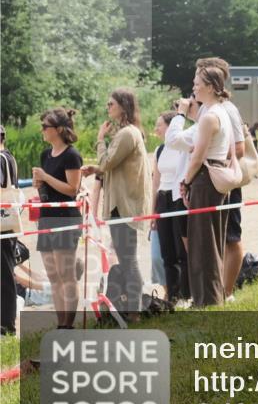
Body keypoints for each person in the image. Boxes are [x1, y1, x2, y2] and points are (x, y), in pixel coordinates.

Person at [81, 91, 152, 316]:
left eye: (111, 103)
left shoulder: (127, 134)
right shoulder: (128, 133)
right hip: (122, 205)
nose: (107, 107)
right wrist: (97, 169)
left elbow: (108, 161)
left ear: (123, 106)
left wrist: (100, 139)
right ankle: (134, 308)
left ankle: (135, 310)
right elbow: (112, 165)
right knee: (126, 257)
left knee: (128, 259)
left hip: (125, 206)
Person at [177, 66, 233, 306]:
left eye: (197, 83)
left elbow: (197, 156)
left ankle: (207, 301)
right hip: (214, 178)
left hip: (205, 179)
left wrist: (185, 181)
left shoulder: (210, 116)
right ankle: (209, 297)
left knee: (203, 244)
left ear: (210, 86)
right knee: (211, 242)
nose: (193, 87)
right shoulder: (218, 112)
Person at [31, 109, 83, 329]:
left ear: (59, 129)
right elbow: (50, 185)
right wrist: (39, 183)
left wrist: (45, 177)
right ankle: (61, 322)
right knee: (53, 276)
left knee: (66, 274)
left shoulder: (71, 155)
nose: (42, 130)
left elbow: (72, 189)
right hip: (47, 217)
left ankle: (68, 324)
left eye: (45, 126)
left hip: (65, 219)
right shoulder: (45, 154)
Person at [152, 111, 190, 306]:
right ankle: (172, 296)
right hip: (162, 199)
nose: (156, 129)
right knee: (167, 252)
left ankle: (186, 294)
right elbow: (155, 182)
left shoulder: (182, 147)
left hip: (177, 199)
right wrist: (153, 211)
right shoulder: (159, 150)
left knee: (181, 250)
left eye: (159, 125)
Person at [1, 124, 20, 334]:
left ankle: (6, 325)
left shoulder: (1, 158)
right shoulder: (9, 157)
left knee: (4, 275)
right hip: (7, 222)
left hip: (3, 223)